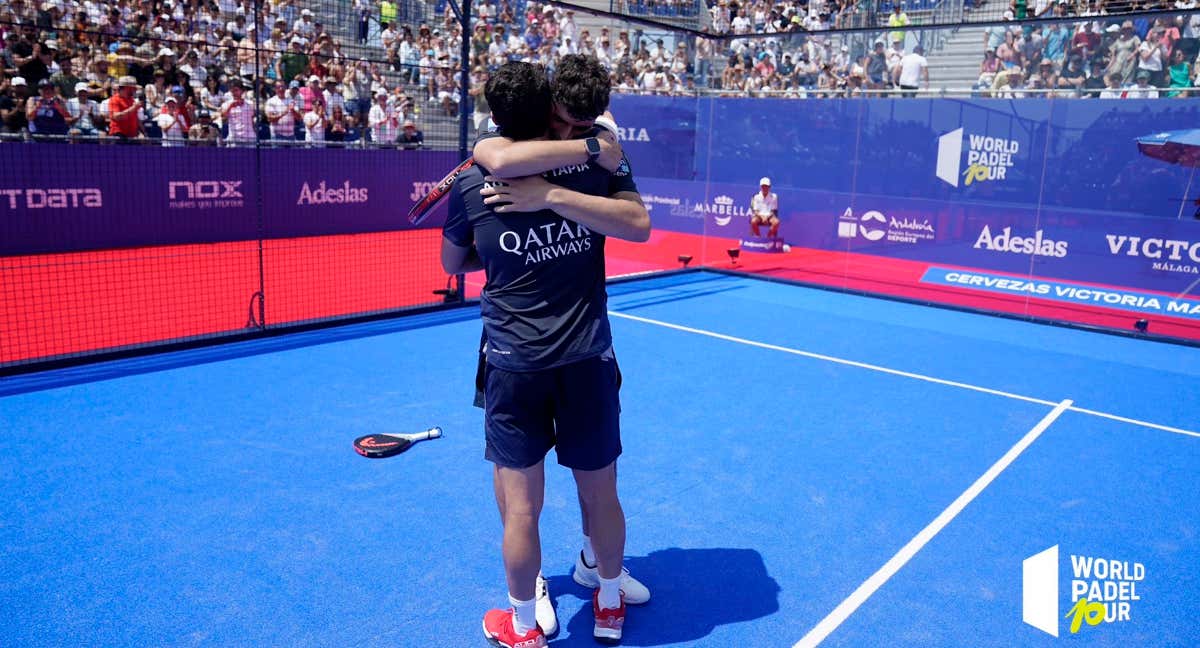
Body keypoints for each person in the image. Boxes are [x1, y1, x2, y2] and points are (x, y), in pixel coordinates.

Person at [444, 60, 649, 647]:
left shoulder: (478, 179)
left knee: (520, 507)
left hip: (522, 361)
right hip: (578, 359)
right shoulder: (595, 162)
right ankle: (596, 599)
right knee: (596, 491)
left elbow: (453, 265)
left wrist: (533, 212)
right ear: (551, 108)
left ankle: (530, 621)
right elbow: (619, 202)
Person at [107, 75, 142, 141]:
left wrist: (143, 132)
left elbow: (136, 118)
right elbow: (116, 117)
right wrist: (133, 108)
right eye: (132, 88)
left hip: (132, 135)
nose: (134, 90)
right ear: (126, 88)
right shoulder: (114, 99)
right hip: (119, 136)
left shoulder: (131, 100)